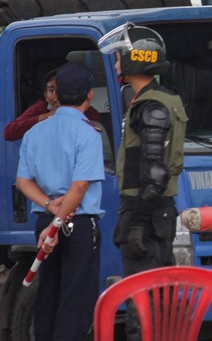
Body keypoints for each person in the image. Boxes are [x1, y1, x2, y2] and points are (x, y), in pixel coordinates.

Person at [98, 22, 187, 340]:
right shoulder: (165, 98)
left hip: (145, 214)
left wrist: (136, 221)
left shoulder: (149, 106)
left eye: (121, 57)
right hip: (160, 213)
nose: (118, 63)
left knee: (142, 307)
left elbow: (155, 173)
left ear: (138, 59)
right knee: (161, 304)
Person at [15, 61, 104, 341]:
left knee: (47, 296)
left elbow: (23, 182)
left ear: (56, 94)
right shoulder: (88, 133)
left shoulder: (34, 133)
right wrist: (59, 216)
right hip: (75, 226)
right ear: (89, 95)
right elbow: (79, 188)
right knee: (74, 303)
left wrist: (49, 206)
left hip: (46, 221)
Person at [4, 67, 100, 141]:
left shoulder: (83, 109)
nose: (56, 95)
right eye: (51, 90)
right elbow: (9, 132)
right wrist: (46, 117)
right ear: (46, 96)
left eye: (60, 90)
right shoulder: (41, 107)